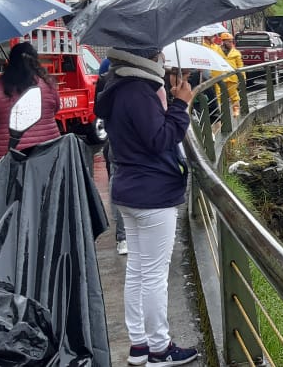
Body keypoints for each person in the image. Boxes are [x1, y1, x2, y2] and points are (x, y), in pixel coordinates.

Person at [94, 47, 200, 366]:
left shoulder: (116, 86)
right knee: (154, 276)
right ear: (144, 57)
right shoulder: (137, 91)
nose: (162, 58)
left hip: (130, 188)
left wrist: (171, 97)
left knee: (139, 272)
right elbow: (161, 139)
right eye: (157, 53)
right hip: (152, 193)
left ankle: (139, 345)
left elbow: (145, 135)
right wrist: (181, 103)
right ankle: (159, 348)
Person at [0, 42, 61, 161]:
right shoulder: (47, 83)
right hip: (47, 150)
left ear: (12, 61)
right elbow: (56, 108)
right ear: (35, 60)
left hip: (11, 152)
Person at [96, 58, 127, 256]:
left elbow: (98, 110)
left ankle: (122, 236)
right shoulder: (134, 80)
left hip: (114, 138)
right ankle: (123, 236)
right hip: (127, 143)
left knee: (116, 179)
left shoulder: (105, 71)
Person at [220, 33, 243, 117]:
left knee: (234, 95)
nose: (230, 43)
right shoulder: (218, 51)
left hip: (232, 77)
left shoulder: (236, 53)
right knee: (219, 96)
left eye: (231, 41)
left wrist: (242, 78)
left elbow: (240, 66)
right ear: (223, 42)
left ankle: (236, 111)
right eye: (228, 41)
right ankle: (221, 113)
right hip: (221, 77)